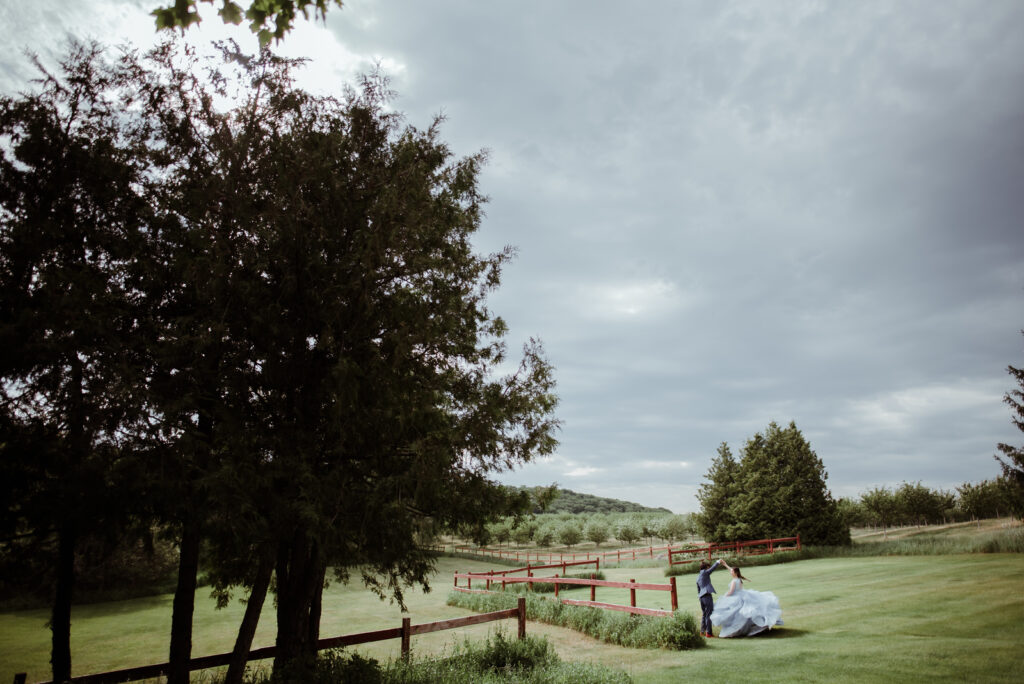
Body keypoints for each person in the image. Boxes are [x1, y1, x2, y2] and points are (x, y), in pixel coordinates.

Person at [710, 560, 783, 637]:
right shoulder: (739, 579)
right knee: (743, 613)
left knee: (734, 613)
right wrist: (725, 565)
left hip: (736, 597)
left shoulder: (734, 581)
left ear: (734, 573)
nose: (730, 572)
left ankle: (738, 629)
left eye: (732, 572)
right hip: (742, 595)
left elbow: (731, 591)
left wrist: (724, 597)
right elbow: (732, 570)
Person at [695, 558, 724, 638]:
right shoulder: (704, 572)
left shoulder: (698, 577)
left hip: (701, 597)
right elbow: (712, 569)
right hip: (707, 595)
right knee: (709, 614)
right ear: (706, 567)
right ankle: (709, 633)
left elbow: (698, 589)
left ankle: (702, 631)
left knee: (704, 614)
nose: (709, 568)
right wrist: (718, 562)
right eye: (708, 567)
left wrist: (699, 596)